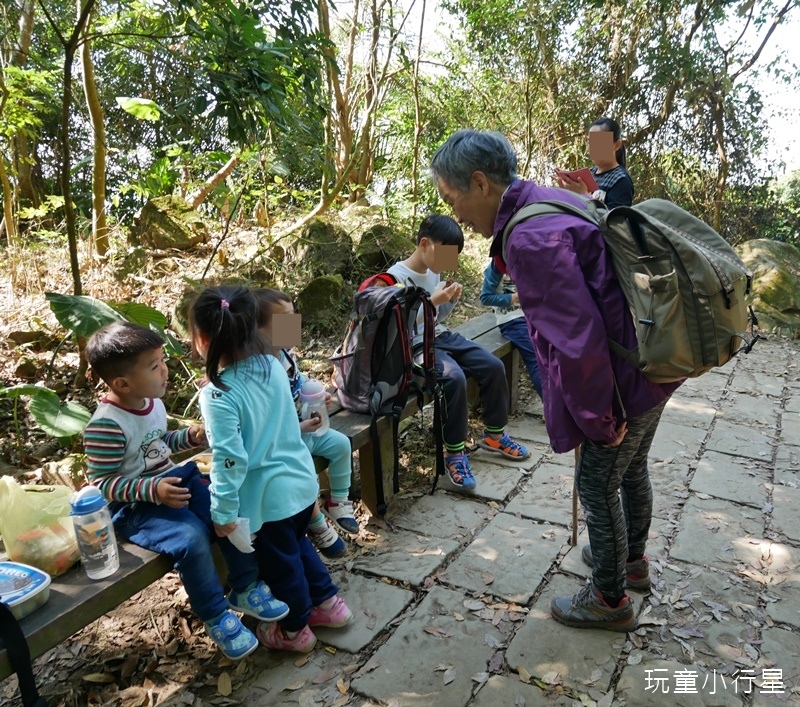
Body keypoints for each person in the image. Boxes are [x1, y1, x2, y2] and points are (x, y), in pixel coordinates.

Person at [430, 129, 680, 632]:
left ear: (480, 183)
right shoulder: (549, 199)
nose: (455, 213)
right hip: (651, 360)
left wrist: (598, 417)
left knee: (598, 483)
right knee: (631, 472)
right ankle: (631, 562)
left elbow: (577, 340)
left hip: (621, 380)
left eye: (452, 198)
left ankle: (609, 600)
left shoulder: (528, 237)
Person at [83, 321, 289, 661]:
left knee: (227, 512)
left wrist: (189, 439)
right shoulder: (106, 424)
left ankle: (246, 586)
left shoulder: (151, 402)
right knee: (191, 536)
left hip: (173, 484)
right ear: (122, 383)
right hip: (136, 507)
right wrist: (152, 490)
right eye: (154, 366)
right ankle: (214, 613)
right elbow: (101, 483)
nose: (165, 370)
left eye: (162, 360)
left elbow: (156, 446)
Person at [191, 286, 352, 654]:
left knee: (281, 565)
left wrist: (223, 512)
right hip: (300, 482)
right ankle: (328, 605)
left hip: (267, 498)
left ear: (201, 339)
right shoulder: (273, 366)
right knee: (297, 544)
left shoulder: (218, 393)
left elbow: (230, 460)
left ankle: (295, 630)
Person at [387, 214, 530, 492]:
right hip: (415, 344)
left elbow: (438, 317)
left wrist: (448, 302)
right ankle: (454, 453)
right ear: (425, 244)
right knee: (453, 379)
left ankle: (495, 434)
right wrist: (431, 302)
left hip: (441, 334)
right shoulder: (396, 277)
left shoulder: (434, 270)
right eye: (446, 254)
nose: (448, 261)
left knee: (492, 365)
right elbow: (398, 326)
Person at [253, 288, 359, 544]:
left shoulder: (286, 354)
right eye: (284, 319)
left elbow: (298, 381)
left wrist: (317, 393)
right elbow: (267, 419)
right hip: (283, 441)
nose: (293, 323)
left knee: (342, 444)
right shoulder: (259, 368)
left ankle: (338, 500)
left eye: (293, 315)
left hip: (307, 427)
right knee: (304, 471)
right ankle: (313, 521)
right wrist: (299, 427)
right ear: (258, 329)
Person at [479, 260, 543, 400]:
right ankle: (553, 409)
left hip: (532, 317)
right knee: (537, 360)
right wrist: (514, 297)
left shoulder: (528, 260)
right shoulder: (497, 265)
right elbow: (485, 297)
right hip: (511, 320)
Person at [555, 117, 634, 209]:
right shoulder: (588, 174)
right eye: (590, 142)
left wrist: (583, 195)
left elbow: (614, 221)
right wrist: (567, 192)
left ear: (616, 145)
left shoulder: (621, 180)